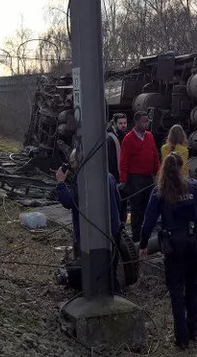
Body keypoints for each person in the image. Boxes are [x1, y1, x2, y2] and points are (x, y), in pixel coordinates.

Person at [139, 152, 197, 349]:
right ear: (182, 168)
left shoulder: (159, 192)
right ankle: (195, 330)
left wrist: (143, 245)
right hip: (194, 241)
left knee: (176, 289)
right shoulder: (194, 187)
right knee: (192, 285)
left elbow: (148, 222)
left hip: (173, 244)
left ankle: (181, 337)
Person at [55, 149, 126, 291]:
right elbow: (119, 202)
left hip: (91, 234)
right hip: (113, 230)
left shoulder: (82, 181)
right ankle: (113, 293)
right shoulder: (110, 177)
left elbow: (69, 202)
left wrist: (61, 183)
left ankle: (96, 293)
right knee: (110, 268)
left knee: (93, 268)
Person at [119, 111, 160, 247]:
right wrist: (124, 180)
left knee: (149, 206)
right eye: (144, 121)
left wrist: (158, 173)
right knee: (137, 209)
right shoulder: (128, 139)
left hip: (148, 177)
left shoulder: (149, 136)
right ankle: (136, 237)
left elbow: (154, 155)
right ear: (136, 122)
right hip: (135, 179)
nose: (146, 124)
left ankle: (146, 235)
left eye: (147, 121)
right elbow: (124, 161)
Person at [106, 113, 128, 177]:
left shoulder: (122, 135)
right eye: (120, 123)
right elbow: (111, 162)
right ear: (115, 124)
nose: (123, 125)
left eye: (125, 123)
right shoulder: (110, 139)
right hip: (115, 176)